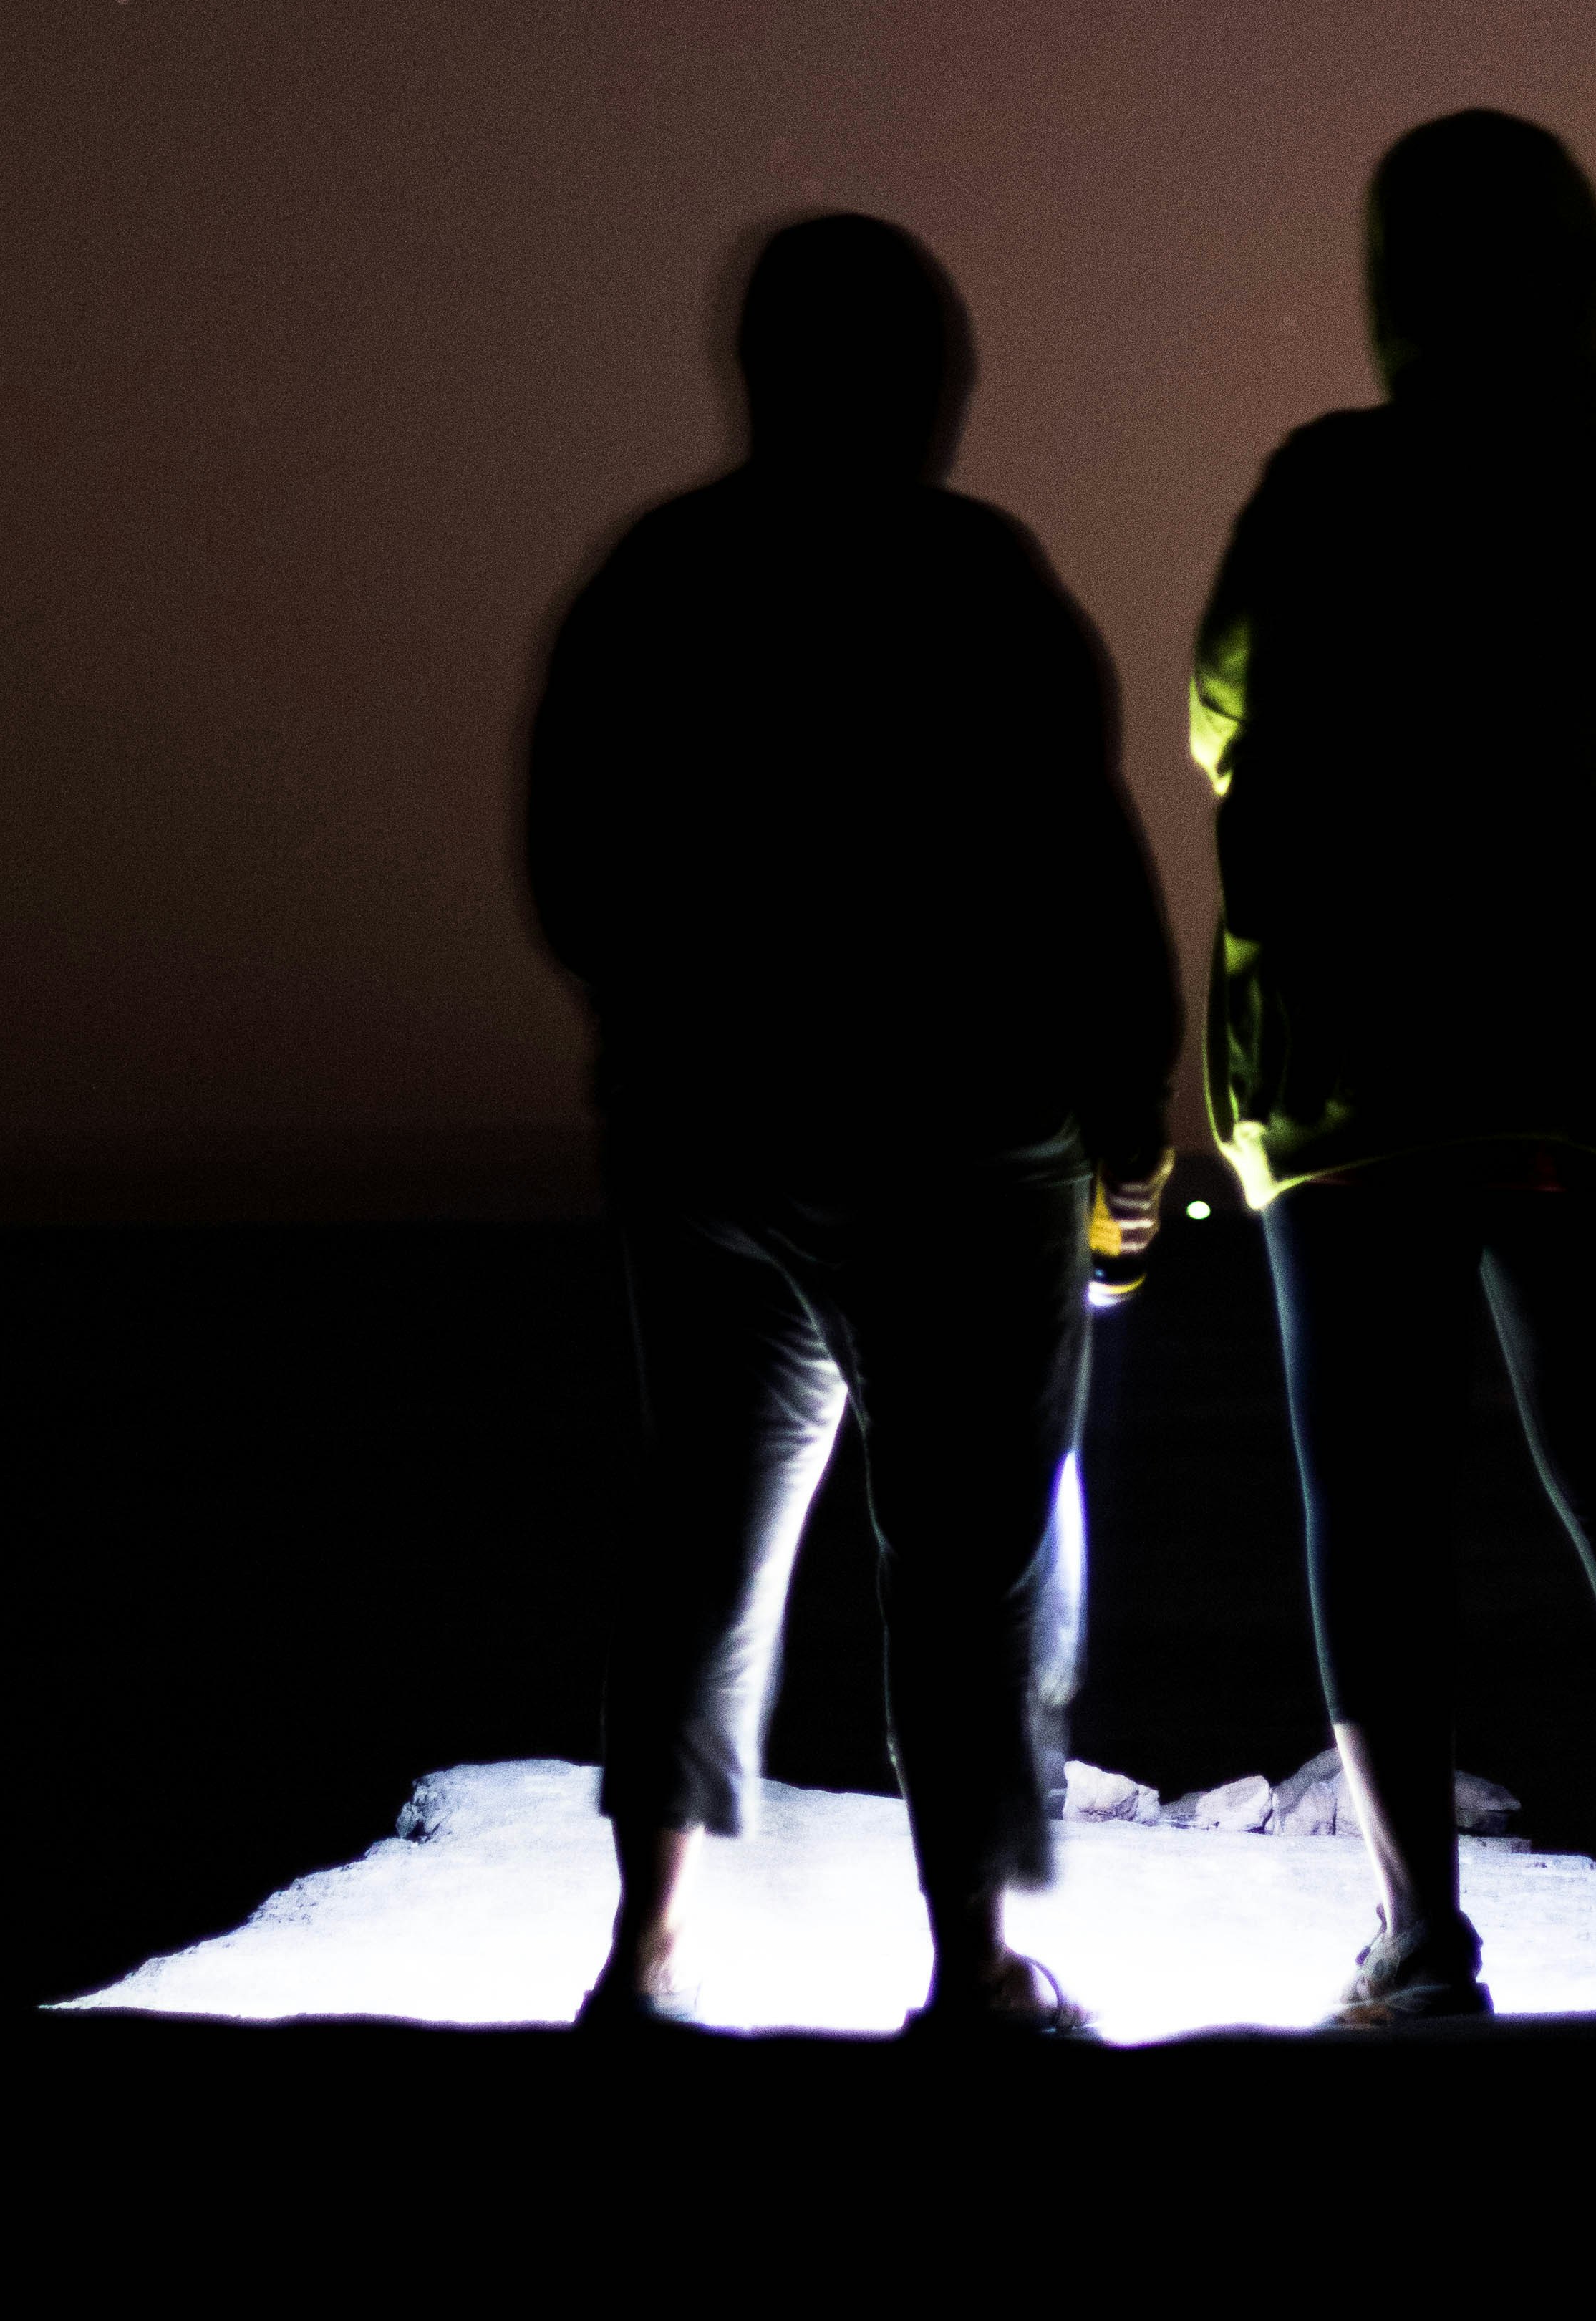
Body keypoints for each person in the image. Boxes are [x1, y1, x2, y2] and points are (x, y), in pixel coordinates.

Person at [528, 212, 1179, 2035]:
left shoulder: (656, 577)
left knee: (703, 1541)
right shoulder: (981, 578)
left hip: (705, 1138)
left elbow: (568, 868)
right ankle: (972, 1966)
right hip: (963, 1143)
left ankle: (645, 1949)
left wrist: (669, 1027)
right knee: (970, 1561)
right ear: (920, 385)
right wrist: (1131, 1109)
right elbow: (1087, 860)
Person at [1190, 110, 1596, 2027]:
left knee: (1371, 1502)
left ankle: (1421, 1944)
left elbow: (1227, 712)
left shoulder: (1327, 479)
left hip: (1361, 1072)